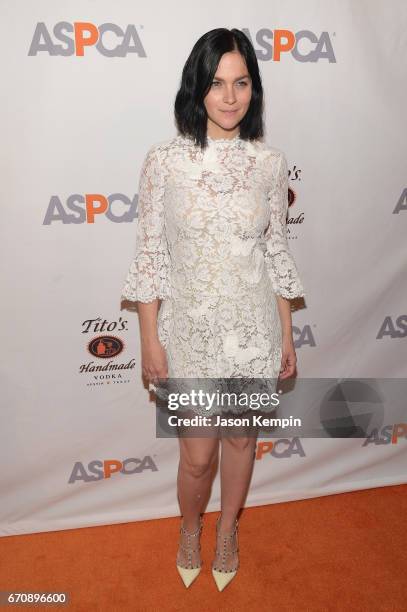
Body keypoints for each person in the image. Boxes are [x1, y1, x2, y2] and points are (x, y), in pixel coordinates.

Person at [121, 28, 305, 591]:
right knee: (197, 459)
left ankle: (228, 531)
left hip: (252, 329)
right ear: (196, 88)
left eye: (242, 82)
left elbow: (276, 253)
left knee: (242, 442)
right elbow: (150, 254)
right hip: (191, 334)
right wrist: (151, 340)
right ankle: (189, 527)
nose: (230, 97)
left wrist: (287, 335)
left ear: (254, 89)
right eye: (218, 83)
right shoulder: (164, 162)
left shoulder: (270, 164)